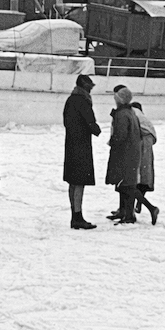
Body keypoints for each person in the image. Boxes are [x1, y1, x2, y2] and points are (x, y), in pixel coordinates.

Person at [106, 87, 158, 225]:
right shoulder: (131, 112)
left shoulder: (126, 113)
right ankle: (125, 211)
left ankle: (136, 210)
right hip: (136, 146)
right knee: (127, 181)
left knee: (128, 183)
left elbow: (122, 134)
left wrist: (115, 145)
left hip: (135, 147)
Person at [62, 74, 101, 230]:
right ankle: (78, 217)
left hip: (71, 144)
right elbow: (90, 122)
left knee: (73, 182)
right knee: (79, 182)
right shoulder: (83, 100)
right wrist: (97, 130)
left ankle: (75, 215)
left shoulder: (71, 99)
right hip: (81, 145)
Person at [131, 101, 157, 214]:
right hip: (148, 144)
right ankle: (139, 204)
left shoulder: (132, 114)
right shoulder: (144, 118)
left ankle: (130, 208)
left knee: (133, 177)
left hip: (139, 144)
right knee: (145, 175)